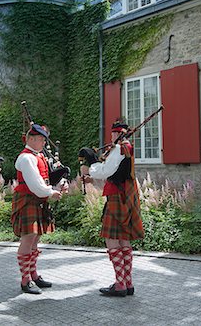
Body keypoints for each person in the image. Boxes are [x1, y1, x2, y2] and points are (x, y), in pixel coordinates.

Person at [79, 120, 144, 297]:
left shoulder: (119, 149)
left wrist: (91, 166)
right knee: (123, 240)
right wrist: (94, 178)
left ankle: (120, 284)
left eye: (113, 134)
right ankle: (127, 283)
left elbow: (106, 170)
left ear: (117, 134)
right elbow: (114, 176)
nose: (112, 137)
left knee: (112, 240)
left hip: (117, 199)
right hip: (124, 195)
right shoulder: (126, 148)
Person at [12, 123, 67, 295]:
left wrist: (60, 183)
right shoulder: (26, 158)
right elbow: (36, 184)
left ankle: (34, 275)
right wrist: (51, 192)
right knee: (28, 239)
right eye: (42, 139)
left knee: (36, 239)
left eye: (44, 139)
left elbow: (46, 177)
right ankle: (24, 280)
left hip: (38, 200)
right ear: (31, 139)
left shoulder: (39, 155)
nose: (44, 143)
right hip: (29, 199)